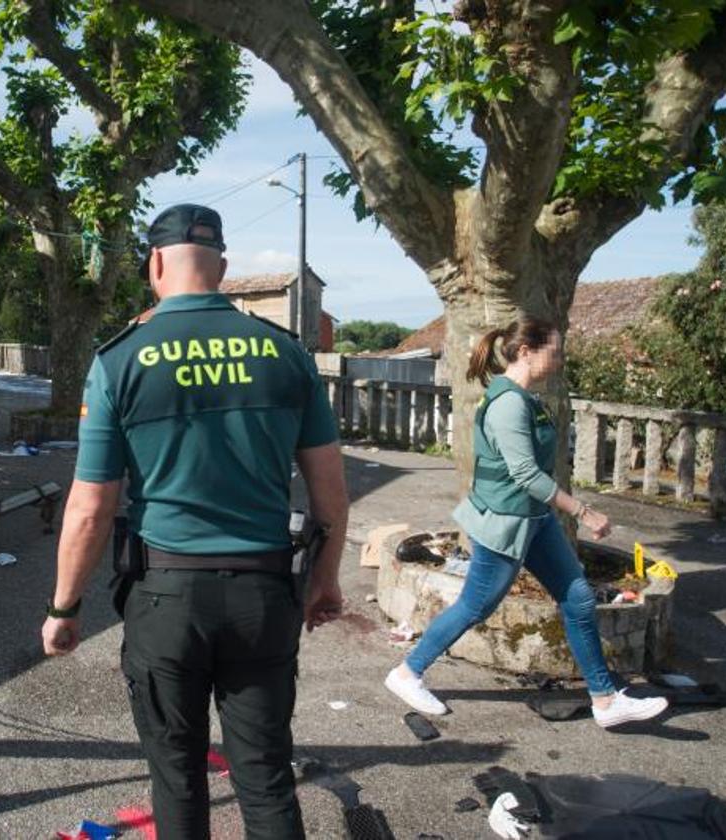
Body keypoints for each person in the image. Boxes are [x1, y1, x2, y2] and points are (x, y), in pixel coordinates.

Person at [41, 204, 349, 839]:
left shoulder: (120, 360)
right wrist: (325, 578)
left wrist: (65, 607)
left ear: (155, 263)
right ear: (223, 268)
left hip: (167, 600)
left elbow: (90, 506)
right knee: (264, 776)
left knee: (176, 776)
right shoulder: (287, 356)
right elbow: (330, 496)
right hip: (265, 596)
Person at [384, 317, 668, 729]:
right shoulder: (508, 404)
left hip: (535, 521)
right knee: (476, 606)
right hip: (504, 524)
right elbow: (526, 476)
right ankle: (407, 673)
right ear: (525, 352)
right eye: (554, 351)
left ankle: (605, 701)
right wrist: (584, 512)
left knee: (579, 599)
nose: (560, 358)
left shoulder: (525, 397)